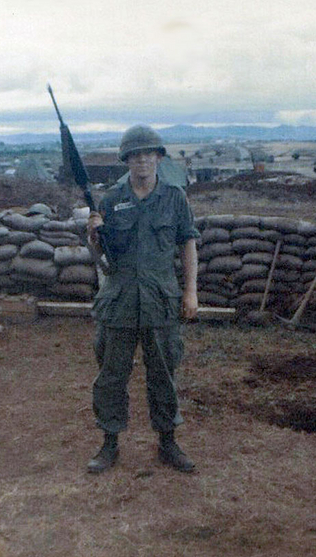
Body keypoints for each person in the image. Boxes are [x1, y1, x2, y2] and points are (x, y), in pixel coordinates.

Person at [86, 124, 199, 474]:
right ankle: (109, 443)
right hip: (119, 301)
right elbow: (101, 255)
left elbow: (188, 244)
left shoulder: (175, 198)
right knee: (111, 375)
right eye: (135, 156)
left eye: (149, 154)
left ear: (159, 158)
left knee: (164, 374)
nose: (142, 161)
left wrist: (191, 291)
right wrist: (92, 236)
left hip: (160, 300)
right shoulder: (111, 200)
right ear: (126, 161)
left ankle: (168, 442)